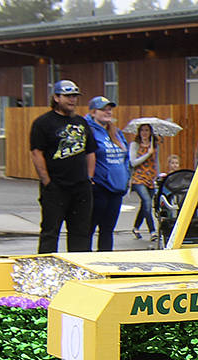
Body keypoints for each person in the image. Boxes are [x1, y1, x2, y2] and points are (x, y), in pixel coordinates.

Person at [30, 79, 94, 253]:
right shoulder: (43, 123)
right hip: (56, 187)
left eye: (74, 96)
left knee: (81, 233)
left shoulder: (81, 122)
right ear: (56, 97)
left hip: (81, 187)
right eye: (67, 96)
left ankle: (79, 272)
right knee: (50, 233)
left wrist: (89, 178)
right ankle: (45, 273)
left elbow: (90, 152)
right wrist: (47, 182)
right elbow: (37, 153)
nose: (72, 100)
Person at [85, 96, 129, 251]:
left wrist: (126, 179)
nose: (108, 112)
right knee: (89, 229)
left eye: (109, 109)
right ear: (93, 112)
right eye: (103, 109)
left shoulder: (115, 132)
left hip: (116, 189)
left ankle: (105, 261)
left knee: (107, 230)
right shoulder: (88, 130)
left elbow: (126, 157)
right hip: (99, 188)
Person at [128, 123, 159, 240]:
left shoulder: (154, 146)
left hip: (150, 178)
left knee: (144, 205)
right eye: (142, 131)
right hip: (138, 178)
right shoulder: (135, 145)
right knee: (147, 202)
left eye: (147, 130)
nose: (144, 133)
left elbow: (156, 162)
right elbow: (133, 162)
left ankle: (135, 227)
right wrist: (147, 154)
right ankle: (152, 231)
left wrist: (157, 177)